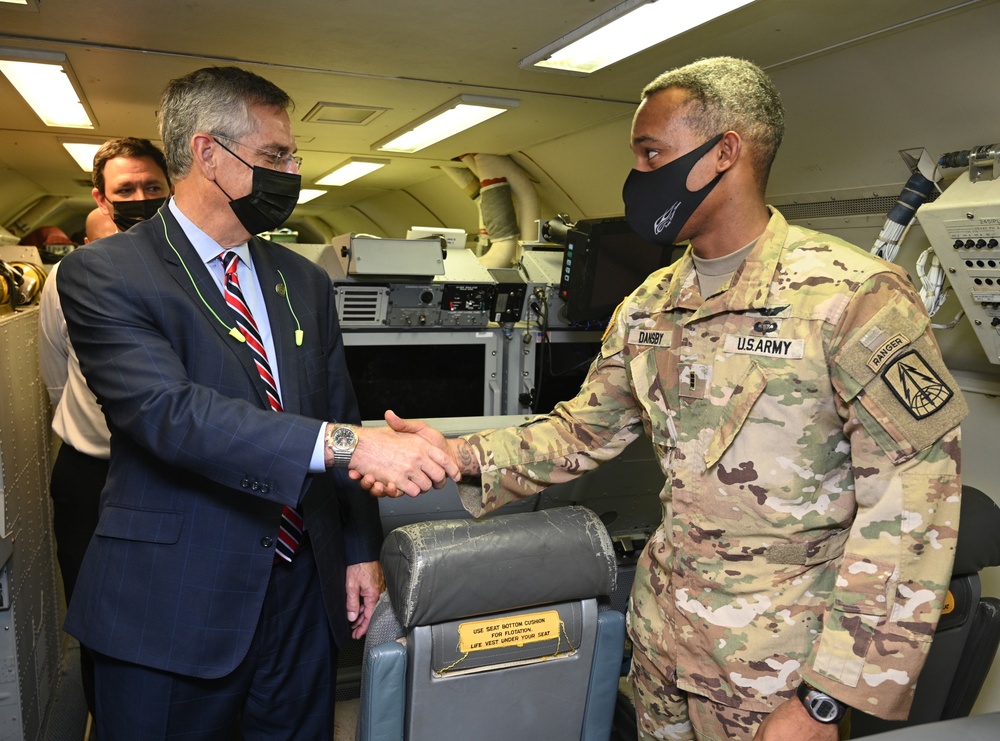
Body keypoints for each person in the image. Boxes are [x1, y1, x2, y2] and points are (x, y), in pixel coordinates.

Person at [360, 57, 967, 740]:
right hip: (661, 648)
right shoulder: (649, 305)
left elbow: (913, 504)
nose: (637, 179)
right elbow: (580, 432)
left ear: (724, 153)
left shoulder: (851, 297)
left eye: (652, 154)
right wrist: (457, 453)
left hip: (776, 675)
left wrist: (825, 698)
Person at [56, 66, 457, 739]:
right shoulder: (106, 274)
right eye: (276, 156)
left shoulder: (301, 279)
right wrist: (349, 445)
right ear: (207, 153)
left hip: (302, 592)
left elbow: (339, 407)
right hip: (173, 598)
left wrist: (360, 548)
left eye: (293, 155)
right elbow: (168, 413)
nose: (292, 170)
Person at [38, 137, 171, 717]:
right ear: (101, 197)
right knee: (98, 618)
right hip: (90, 477)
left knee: (170, 611)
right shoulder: (67, 280)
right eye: (126, 191)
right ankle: (108, 719)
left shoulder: (196, 276)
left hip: (170, 473)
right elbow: (53, 375)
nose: (140, 198)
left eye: (152, 188)